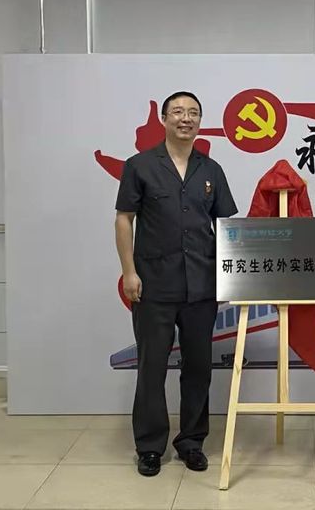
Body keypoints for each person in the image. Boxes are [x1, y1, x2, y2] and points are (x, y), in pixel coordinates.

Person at [114, 91, 238, 477]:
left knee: (198, 367)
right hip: (154, 284)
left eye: (193, 113)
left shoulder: (211, 169)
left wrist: (228, 278)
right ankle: (150, 446)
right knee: (152, 367)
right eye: (179, 112)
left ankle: (191, 442)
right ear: (164, 119)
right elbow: (124, 220)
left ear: (200, 121)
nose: (186, 119)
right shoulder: (139, 166)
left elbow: (226, 227)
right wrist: (129, 271)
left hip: (202, 285)